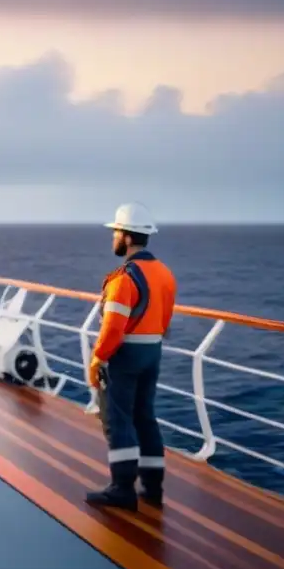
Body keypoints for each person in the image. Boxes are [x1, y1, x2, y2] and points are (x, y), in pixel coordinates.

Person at [86, 202, 177, 511]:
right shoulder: (164, 274)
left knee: (118, 420)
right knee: (145, 417)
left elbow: (112, 328)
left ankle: (122, 488)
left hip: (125, 356)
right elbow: (165, 320)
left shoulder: (123, 279)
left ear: (126, 236)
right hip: (152, 352)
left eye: (115, 232)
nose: (113, 238)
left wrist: (98, 358)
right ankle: (152, 488)